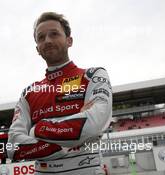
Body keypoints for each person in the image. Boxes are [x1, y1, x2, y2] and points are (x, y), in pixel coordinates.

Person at [7, 12, 112, 175]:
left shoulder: (93, 75)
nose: (47, 40)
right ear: (37, 49)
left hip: (87, 169)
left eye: (54, 34)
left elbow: (94, 125)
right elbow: (13, 147)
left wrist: (37, 129)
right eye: (41, 38)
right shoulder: (29, 92)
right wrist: (74, 140)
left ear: (69, 40)